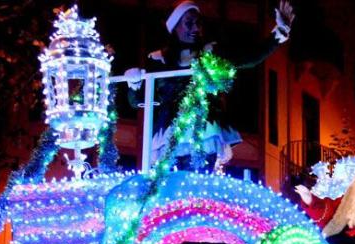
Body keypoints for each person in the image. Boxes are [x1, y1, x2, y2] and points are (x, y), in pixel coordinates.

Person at [125, 0, 295, 171]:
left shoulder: (210, 53)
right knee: (172, 187)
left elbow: (249, 58)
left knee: (199, 184)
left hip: (205, 130)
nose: (195, 28)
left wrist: (278, 34)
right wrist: (134, 83)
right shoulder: (158, 59)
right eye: (189, 23)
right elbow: (140, 100)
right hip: (170, 133)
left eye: (198, 23)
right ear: (175, 26)